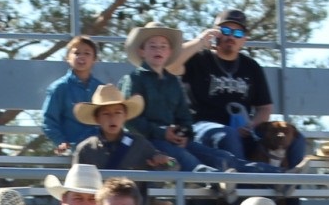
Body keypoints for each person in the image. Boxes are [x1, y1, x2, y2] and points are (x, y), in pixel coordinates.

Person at [120, 20, 301, 181]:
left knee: (225, 158)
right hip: (149, 143)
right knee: (191, 161)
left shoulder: (172, 82)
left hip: (175, 140)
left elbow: (183, 115)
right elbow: (130, 120)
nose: (158, 50)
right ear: (142, 51)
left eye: (163, 46)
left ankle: (281, 176)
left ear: (169, 51)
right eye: (152, 46)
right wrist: (162, 133)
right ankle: (223, 185)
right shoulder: (134, 80)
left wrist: (184, 134)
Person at [171, 9, 305, 170]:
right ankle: (241, 188)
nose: (231, 37)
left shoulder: (251, 66)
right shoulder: (199, 59)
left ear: (244, 39)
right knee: (229, 134)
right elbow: (170, 65)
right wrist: (200, 41)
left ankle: (290, 189)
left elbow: (265, 108)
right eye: (225, 31)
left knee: (297, 138)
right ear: (216, 33)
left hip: (244, 129)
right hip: (202, 128)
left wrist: (251, 125)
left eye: (238, 33)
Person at [71, 83, 176, 205]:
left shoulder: (140, 144)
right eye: (106, 114)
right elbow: (76, 188)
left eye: (118, 112)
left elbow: (175, 166)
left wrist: (166, 162)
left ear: (125, 116)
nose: (112, 118)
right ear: (96, 118)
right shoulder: (85, 150)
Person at [42, 35, 103, 154]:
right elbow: (49, 120)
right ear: (67, 58)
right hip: (73, 150)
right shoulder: (59, 88)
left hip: (99, 149)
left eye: (87, 53)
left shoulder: (101, 89)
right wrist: (61, 142)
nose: (81, 57)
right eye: (76, 53)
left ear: (94, 59)